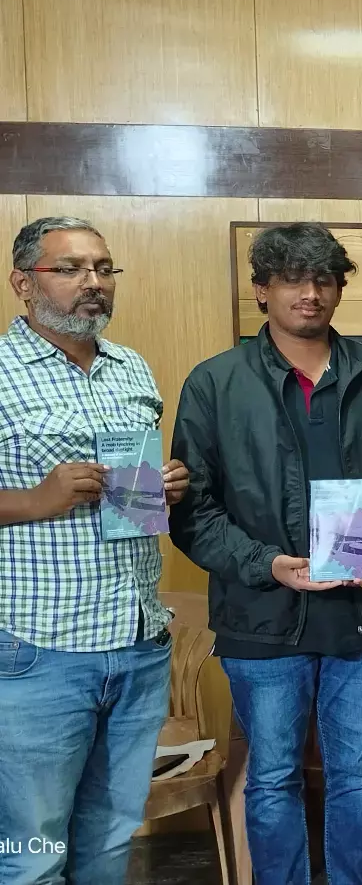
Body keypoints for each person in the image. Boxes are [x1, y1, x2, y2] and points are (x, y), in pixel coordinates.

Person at [170, 222, 362, 885]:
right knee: (273, 776)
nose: (311, 293)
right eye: (293, 280)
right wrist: (267, 564)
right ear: (261, 290)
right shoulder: (215, 383)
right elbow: (192, 512)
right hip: (262, 616)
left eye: (324, 279)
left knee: (356, 772)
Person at [0, 216, 188, 885]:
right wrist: (33, 500)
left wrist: (165, 486)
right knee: (33, 853)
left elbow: (134, 491)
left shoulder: (130, 367)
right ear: (24, 283)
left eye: (104, 269)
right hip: (39, 650)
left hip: (136, 642)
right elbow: (38, 499)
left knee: (111, 840)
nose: (94, 282)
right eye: (71, 268)